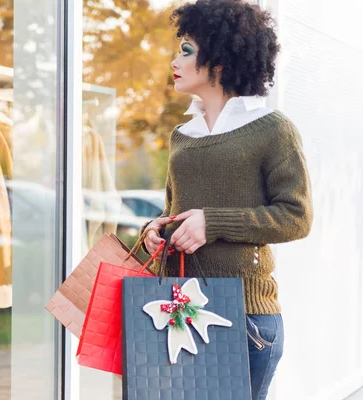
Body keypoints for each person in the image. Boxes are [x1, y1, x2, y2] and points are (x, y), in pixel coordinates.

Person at [140, 1, 313, 398]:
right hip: (180, 312)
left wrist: (212, 222)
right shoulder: (183, 136)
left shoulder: (272, 129)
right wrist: (155, 228)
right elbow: (175, 210)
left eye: (186, 49)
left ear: (220, 58)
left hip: (245, 317)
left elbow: (297, 216)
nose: (175, 59)